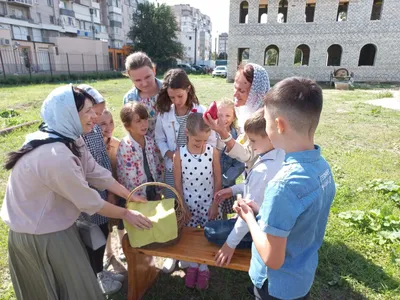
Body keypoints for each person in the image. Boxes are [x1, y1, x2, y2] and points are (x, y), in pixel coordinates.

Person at [1, 85, 152, 300]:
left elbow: (95, 171)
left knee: (73, 287)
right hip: (39, 237)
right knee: (60, 290)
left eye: (94, 110)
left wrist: (128, 195)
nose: (94, 117)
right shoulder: (55, 155)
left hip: (53, 228)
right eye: (87, 111)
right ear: (69, 114)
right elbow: (90, 202)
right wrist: (126, 213)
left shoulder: (68, 136)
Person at [233, 77, 336, 299]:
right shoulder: (323, 167)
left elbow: (272, 258)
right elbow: (301, 218)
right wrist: (263, 211)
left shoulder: (282, 186)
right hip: (301, 279)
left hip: (275, 288)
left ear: (279, 125)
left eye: (267, 121)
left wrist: (250, 218)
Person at [155, 68, 217, 273]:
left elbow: (212, 139)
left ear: (188, 89)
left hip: (198, 171)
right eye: (171, 97)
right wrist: (168, 153)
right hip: (174, 169)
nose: (176, 101)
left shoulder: (201, 112)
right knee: (176, 209)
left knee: (196, 212)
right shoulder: (165, 113)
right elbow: (160, 138)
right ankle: (175, 254)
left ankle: (199, 254)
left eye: (180, 96)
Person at [210, 109, 284, 266]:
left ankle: (254, 246)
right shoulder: (278, 154)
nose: (250, 144)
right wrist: (232, 190)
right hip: (270, 223)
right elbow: (255, 186)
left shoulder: (264, 170)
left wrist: (229, 245)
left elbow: (247, 214)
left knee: (209, 230)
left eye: (253, 140)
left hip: (258, 227)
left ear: (270, 136)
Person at [78, 84, 124, 294]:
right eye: (94, 113)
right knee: (92, 238)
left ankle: (100, 272)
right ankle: (97, 277)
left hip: (102, 190)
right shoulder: (77, 134)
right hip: (86, 196)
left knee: (103, 230)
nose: (96, 118)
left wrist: (112, 192)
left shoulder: (93, 128)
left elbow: (102, 161)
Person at [173, 112, 222, 290]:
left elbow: (218, 179)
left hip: (208, 202)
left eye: (205, 141)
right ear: (187, 133)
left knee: (208, 235)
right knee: (191, 235)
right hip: (189, 204)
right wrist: (183, 205)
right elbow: (177, 183)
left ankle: (204, 266)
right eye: (197, 141)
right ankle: (193, 264)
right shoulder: (179, 155)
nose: (201, 145)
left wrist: (215, 203)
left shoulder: (212, 152)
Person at [204, 63, 270, 168]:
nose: (235, 94)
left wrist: (223, 133)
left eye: (241, 90)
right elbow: (241, 142)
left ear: (256, 94)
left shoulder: (263, 119)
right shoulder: (247, 111)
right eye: (235, 88)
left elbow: (247, 155)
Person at [117, 102, 163, 201]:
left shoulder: (150, 142)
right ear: (127, 126)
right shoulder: (125, 146)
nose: (144, 124)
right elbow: (128, 177)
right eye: (138, 121)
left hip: (152, 189)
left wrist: (158, 191)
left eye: (145, 119)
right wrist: (138, 197)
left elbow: (157, 166)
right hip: (135, 195)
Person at [97, 109, 126, 266]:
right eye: (103, 124)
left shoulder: (117, 144)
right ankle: (108, 252)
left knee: (121, 220)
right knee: (106, 223)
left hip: (118, 187)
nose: (108, 127)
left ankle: (123, 246)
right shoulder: (94, 146)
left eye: (111, 122)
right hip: (102, 191)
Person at [123, 51, 162, 139]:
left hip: (172, 149)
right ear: (129, 77)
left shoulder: (169, 90)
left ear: (154, 70)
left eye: (147, 77)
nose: (144, 84)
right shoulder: (129, 99)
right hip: (144, 150)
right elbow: (130, 129)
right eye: (138, 80)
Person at [215, 100, 245, 217]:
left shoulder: (237, 136)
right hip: (209, 180)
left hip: (226, 183)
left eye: (227, 115)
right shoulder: (211, 133)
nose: (223, 119)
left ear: (234, 117)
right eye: (220, 115)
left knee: (222, 213)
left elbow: (239, 164)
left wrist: (223, 180)